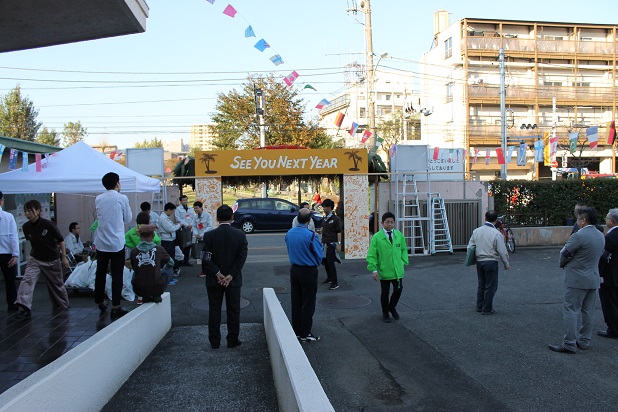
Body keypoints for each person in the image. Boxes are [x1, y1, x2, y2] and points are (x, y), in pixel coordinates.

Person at [549, 206, 605, 354]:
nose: (577, 221)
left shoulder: (578, 236)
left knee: (571, 310)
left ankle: (569, 343)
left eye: (578, 219)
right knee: (588, 311)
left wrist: (562, 263)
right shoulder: (600, 235)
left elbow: (565, 253)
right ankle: (584, 341)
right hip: (593, 278)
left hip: (576, 279)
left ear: (583, 220)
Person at [201, 205, 248, 349]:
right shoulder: (240, 235)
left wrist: (217, 273)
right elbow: (241, 258)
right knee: (233, 310)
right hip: (233, 280)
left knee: (214, 309)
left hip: (214, 279)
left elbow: (205, 258)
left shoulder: (209, 235)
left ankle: (214, 341)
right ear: (232, 217)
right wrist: (230, 275)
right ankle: (232, 339)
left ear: (216, 218)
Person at [15, 199, 70, 320]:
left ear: (38, 211)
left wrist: (64, 257)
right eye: (25, 211)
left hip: (52, 259)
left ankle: (63, 305)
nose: (27, 213)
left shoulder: (48, 225)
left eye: (30, 210)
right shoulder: (26, 227)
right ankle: (24, 306)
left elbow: (61, 240)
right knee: (27, 280)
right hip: (35, 259)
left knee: (57, 285)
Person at [94, 172, 132, 321]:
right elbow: (128, 218)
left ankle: (99, 301)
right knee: (117, 275)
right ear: (117, 183)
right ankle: (116, 306)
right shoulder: (122, 198)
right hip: (116, 243)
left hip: (101, 242)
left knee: (101, 272)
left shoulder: (99, 198)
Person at [285, 208, 323, 342]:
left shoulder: (289, 233)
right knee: (308, 302)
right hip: (308, 270)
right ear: (309, 220)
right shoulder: (311, 235)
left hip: (294, 269)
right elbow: (319, 255)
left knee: (296, 301)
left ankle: (296, 330)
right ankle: (305, 332)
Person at [366, 212, 409, 323]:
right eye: (387, 222)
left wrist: (403, 262)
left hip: (397, 270)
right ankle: (385, 313)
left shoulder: (399, 235)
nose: (390, 224)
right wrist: (374, 269)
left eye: (392, 222)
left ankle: (392, 307)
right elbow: (372, 254)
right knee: (385, 292)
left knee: (399, 289)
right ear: (382, 223)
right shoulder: (377, 237)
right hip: (384, 269)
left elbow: (404, 250)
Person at [467, 210, 510, 315]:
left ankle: (479, 305)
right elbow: (502, 250)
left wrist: (472, 259)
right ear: (496, 220)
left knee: (481, 284)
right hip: (491, 261)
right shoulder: (496, 233)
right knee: (491, 285)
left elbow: (470, 247)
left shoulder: (476, 231)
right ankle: (487, 308)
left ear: (485, 218)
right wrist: (506, 263)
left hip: (480, 261)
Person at [130, 225, 173, 304]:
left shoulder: (134, 251)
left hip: (139, 288)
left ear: (140, 236)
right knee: (169, 268)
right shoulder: (159, 249)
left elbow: (134, 267)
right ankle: (157, 294)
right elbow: (171, 263)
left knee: (135, 272)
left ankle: (145, 296)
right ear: (153, 236)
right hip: (157, 286)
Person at [598, 208, 618, 339]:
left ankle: (613, 329)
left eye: (606, 218)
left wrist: (599, 273)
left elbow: (605, 258)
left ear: (612, 221)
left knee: (609, 303)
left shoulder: (610, 237)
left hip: (611, 277)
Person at [0, 191, 20, 311]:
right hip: (7, 254)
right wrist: (15, 254)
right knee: (10, 281)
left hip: (7, 253)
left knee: (10, 281)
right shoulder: (8, 217)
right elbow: (13, 236)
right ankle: (12, 305)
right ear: (1, 201)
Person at [159, 202, 185, 281]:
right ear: (169, 210)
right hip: (167, 241)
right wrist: (179, 225)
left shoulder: (165, 218)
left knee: (173, 257)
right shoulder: (163, 218)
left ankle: (170, 274)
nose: (173, 213)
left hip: (170, 240)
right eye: (173, 211)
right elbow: (170, 228)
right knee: (168, 258)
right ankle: (167, 276)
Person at [320, 198, 342, 290]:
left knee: (330, 262)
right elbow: (322, 228)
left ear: (329, 207)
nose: (323, 209)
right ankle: (329, 278)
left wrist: (339, 244)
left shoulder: (335, 219)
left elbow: (339, 232)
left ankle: (335, 282)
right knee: (325, 261)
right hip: (325, 243)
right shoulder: (324, 218)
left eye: (325, 207)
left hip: (332, 243)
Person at [192, 201, 214, 278]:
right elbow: (194, 226)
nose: (195, 210)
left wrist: (201, 235)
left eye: (197, 208)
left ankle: (211, 270)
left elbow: (210, 226)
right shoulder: (195, 217)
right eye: (194, 208)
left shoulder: (207, 216)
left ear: (201, 208)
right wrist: (196, 234)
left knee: (210, 255)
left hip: (208, 238)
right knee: (203, 256)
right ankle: (204, 271)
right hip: (200, 239)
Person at [174, 195, 194, 267]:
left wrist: (190, 225)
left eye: (186, 200)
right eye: (183, 200)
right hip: (182, 229)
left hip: (189, 229)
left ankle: (186, 260)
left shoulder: (190, 209)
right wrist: (186, 225)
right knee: (182, 245)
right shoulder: (178, 209)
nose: (185, 201)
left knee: (188, 245)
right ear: (181, 201)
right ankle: (182, 260)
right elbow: (178, 219)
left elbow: (193, 218)